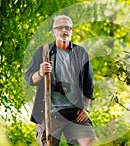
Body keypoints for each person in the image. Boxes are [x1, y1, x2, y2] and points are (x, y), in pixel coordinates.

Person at [25, 15, 97, 146]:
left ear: (72, 31)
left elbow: (88, 85)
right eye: (60, 27)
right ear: (53, 32)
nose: (64, 30)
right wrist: (40, 73)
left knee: (91, 143)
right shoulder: (43, 52)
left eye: (67, 28)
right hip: (50, 113)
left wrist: (85, 108)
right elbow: (29, 78)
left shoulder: (81, 53)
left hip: (75, 113)